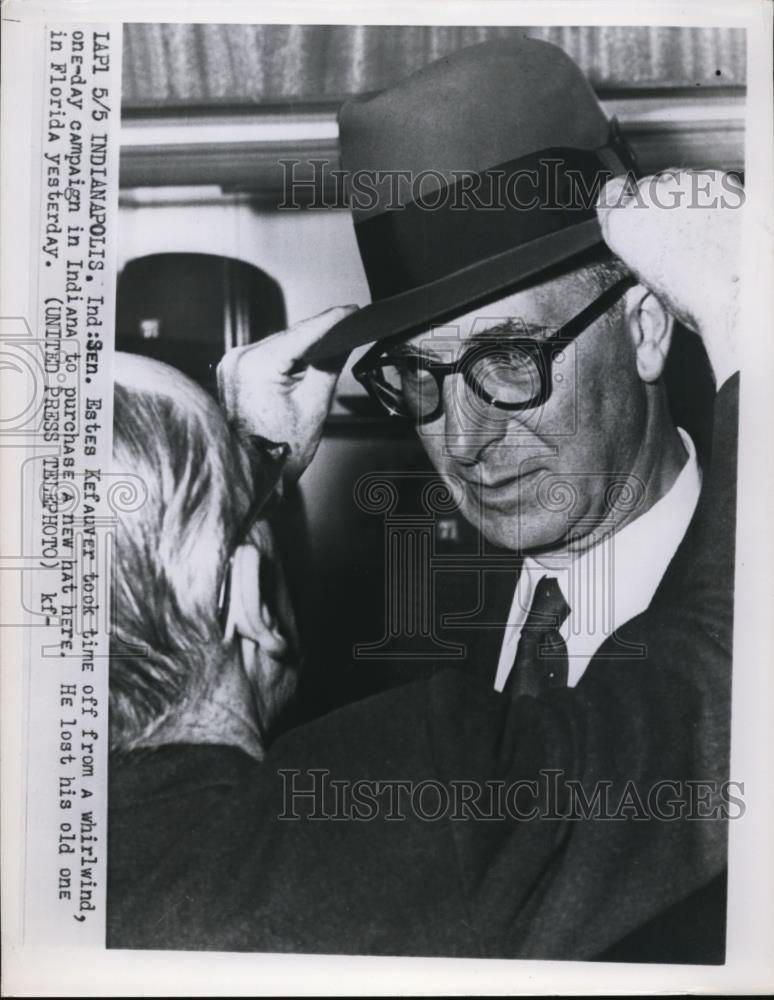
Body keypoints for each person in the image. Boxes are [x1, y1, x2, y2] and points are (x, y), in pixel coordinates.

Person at [109, 153, 741, 959]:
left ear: (646, 328)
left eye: (513, 359)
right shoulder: (373, 665)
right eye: (417, 373)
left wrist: (238, 473)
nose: (465, 441)